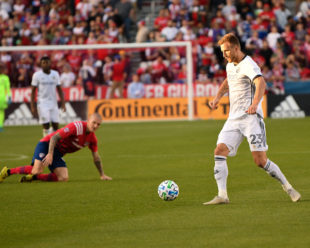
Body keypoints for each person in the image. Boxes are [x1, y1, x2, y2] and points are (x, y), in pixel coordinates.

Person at [203, 33, 301, 205]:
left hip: (250, 118)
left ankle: (288, 187)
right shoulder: (230, 65)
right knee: (219, 151)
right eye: (222, 52)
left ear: (236, 47)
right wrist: (218, 97)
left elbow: (261, 83)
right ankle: (222, 195)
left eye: (226, 51)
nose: (224, 55)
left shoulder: (248, 64)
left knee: (260, 161)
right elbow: (228, 81)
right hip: (233, 119)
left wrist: (255, 104)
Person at [0, 113, 112, 183]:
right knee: (36, 170)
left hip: (58, 153)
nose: (96, 126)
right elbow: (55, 137)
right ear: (88, 120)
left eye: (98, 124)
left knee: (63, 178)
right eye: (94, 123)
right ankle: (8, 172)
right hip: (47, 144)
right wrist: (50, 154)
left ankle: (35, 178)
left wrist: (102, 174)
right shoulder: (77, 127)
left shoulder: (92, 139)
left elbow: (96, 158)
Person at [31, 56, 66, 137]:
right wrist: (32, 106)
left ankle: (54, 143)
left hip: (54, 103)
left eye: (47, 62)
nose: (45, 64)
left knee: (56, 125)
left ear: (50, 63)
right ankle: (46, 142)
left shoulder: (55, 74)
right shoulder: (37, 75)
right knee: (46, 125)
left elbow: (59, 89)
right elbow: (33, 91)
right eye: (43, 63)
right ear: (41, 64)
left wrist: (63, 103)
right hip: (42, 103)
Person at [0, 63, 11, 132]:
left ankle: (0, 126)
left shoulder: (6, 78)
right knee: (1, 112)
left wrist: (9, 97)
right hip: (3, 98)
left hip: (2, 98)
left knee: (1, 112)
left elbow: (7, 89)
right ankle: (0, 126)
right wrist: (9, 97)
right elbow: (8, 89)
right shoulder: (5, 78)